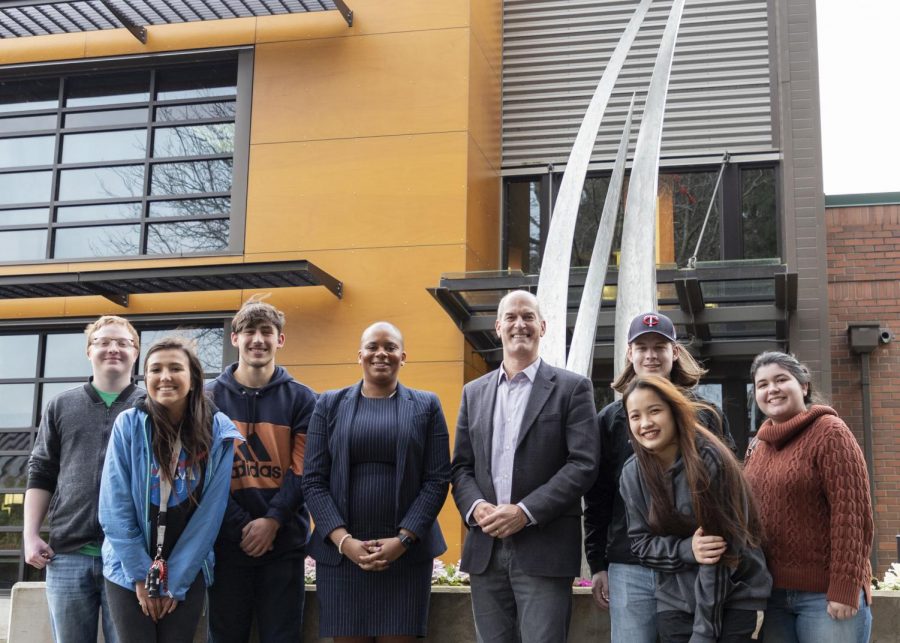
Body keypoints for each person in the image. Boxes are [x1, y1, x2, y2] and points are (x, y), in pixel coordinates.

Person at [451, 290, 600, 643]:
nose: (520, 324)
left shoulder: (572, 389)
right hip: (485, 549)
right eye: (512, 317)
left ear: (543, 327)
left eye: (529, 317)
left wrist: (525, 511)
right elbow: (460, 468)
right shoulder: (473, 393)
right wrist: (476, 507)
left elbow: (583, 464)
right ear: (498, 327)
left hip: (544, 549)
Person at [583, 311, 735, 643]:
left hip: (694, 565)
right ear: (629, 353)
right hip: (630, 566)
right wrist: (597, 564)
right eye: (642, 347)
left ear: (675, 352)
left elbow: (730, 494)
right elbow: (598, 497)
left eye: (659, 346)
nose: (651, 355)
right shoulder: (610, 420)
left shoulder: (707, 416)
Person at [302, 321, 451, 642]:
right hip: (342, 560)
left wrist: (404, 540)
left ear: (403, 356)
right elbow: (313, 480)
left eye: (390, 347)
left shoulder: (427, 406)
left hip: (406, 559)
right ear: (359, 355)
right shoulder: (328, 405)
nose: (381, 353)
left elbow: (437, 479)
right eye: (372, 347)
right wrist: (345, 543)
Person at [98, 336, 242, 643]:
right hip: (127, 569)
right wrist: (140, 576)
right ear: (145, 378)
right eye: (155, 369)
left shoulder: (218, 430)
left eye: (176, 368)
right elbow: (113, 507)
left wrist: (175, 580)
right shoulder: (129, 425)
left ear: (193, 377)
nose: (165, 377)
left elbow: (210, 516)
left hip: (188, 570)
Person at [619, 376, 771, 643]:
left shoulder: (711, 460)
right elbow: (641, 545)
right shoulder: (632, 473)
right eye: (635, 416)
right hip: (675, 601)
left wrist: (704, 632)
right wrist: (686, 550)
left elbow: (722, 556)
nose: (645, 423)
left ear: (674, 412)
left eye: (655, 411)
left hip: (735, 594)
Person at [25, 315, 145, 643]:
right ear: (88, 351)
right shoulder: (61, 405)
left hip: (128, 555)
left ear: (136, 352)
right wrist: (30, 535)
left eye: (123, 343)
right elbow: (41, 472)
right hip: (67, 555)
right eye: (103, 341)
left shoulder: (150, 407)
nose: (113, 348)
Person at [206, 296, 317, 643]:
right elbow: (204, 474)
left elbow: (304, 470)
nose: (258, 339)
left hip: (284, 544)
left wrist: (272, 521)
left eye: (266, 332)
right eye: (249, 331)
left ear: (279, 340)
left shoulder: (303, 399)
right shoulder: (208, 398)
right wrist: (241, 526)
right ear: (234, 338)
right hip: (225, 543)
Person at [744, 351, 874, 643]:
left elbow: (851, 515)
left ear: (803, 385)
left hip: (825, 597)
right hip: (773, 597)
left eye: (781, 379)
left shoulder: (830, 433)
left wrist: (845, 587)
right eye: (762, 384)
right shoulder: (757, 447)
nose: (771, 389)